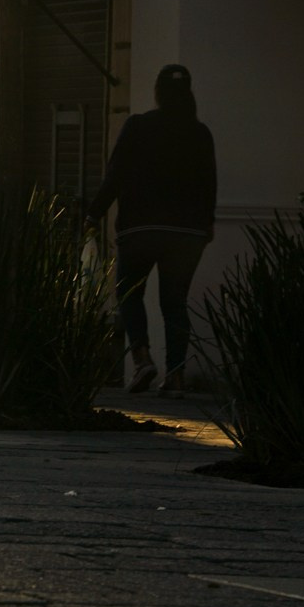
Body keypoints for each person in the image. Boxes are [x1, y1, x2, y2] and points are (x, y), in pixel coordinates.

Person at [88, 62, 217, 395]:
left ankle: (143, 359)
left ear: (158, 93)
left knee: (129, 292)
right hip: (187, 233)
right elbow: (209, 184)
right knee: (174, 302)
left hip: (140, 229)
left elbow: (115, 175)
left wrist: (93, 214)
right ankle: (175, 376)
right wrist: (206, 226)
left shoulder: (138, 126)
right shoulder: (200, 133)